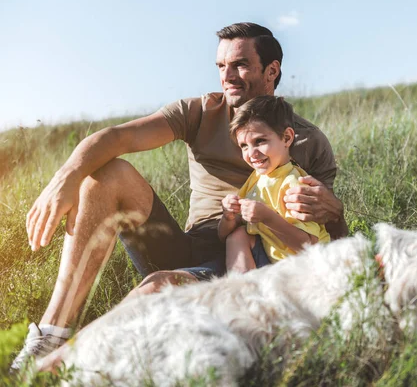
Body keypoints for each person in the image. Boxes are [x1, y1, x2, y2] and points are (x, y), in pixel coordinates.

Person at [11, 22, 348, 370]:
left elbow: (331, 243)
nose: (227, 76)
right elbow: (116, 138)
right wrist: (65, 177)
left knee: (156, 290)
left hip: (258, 260)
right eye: (221, 66)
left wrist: (334, 211)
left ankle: (76, 366)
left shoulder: (308, 141)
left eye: (240, 65)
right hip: (193, 243)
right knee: (106, 174)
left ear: (271, 70)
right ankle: (51, 335)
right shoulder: (200, 112)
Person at [219, 96, 330, 273]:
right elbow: (223, 235)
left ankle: (248, 292)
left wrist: (267, 217)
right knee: (236, 235)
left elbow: (308, 248)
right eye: (244, 146)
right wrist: (228, 217)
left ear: (286, 138)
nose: (252, 153)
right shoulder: (257, 178)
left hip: (307, 269)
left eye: (259, 141)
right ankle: (242, 291)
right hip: (273, 263)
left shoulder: (296, 185)